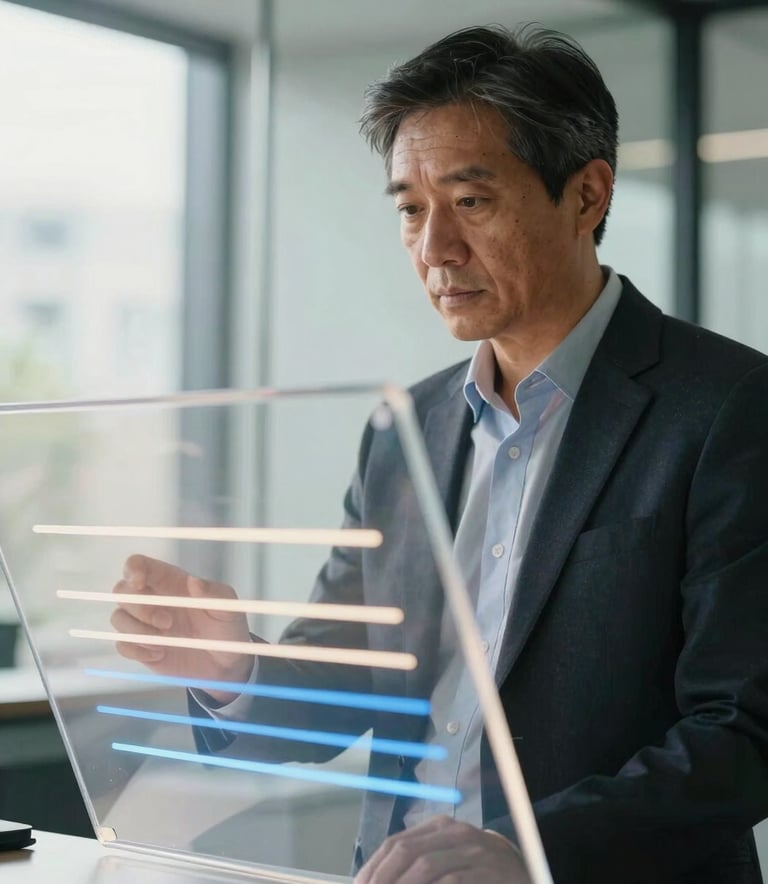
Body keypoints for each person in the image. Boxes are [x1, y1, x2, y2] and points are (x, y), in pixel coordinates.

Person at [111, 24, 768, 884]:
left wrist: (529, 855)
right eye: (411, 210)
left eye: (472, 202)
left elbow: (744, 732)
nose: (434, 250)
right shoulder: (405, 428)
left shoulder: (728, 405)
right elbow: (341, 693)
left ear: (587, 195)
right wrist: (231, 668)